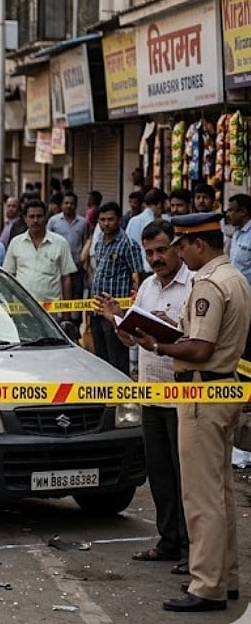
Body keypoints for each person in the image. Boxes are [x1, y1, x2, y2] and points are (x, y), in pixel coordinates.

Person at [128, 212, 251, 612]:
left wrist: (159, 345)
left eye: (181, 245)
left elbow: (199, 349)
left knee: (201, 498)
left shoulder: (209, 285)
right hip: (223, 387)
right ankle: (225, 577)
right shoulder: (234, 278)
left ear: (199, 244)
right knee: (221, 493)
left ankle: (206, 585)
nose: (178, 253)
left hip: (202, 392)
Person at [96, 220, 190, 567]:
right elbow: (132, 341)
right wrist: (117, 321)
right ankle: (168, 542)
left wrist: (174, 330)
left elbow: (196, 340)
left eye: (162, 250)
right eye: (149, 252)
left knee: (185, 480)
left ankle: (190, 549)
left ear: (177, 247)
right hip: (149, 394)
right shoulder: (148, 287)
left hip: (182, 397)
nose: (155, 258)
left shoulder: (193, 286)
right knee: (160, 476)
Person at [88, 202, 143, 374]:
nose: (106, 223)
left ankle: (120, 399)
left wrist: (129, 312)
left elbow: (137, 277)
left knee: (117, 359)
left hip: (116, 314)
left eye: (110, 219)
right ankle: (105, 399)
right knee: (100, 360)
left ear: (119, 220)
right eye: (102, 220)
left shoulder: (128, 244)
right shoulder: (99, 242)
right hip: (97, 310)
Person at [3, 199, 76, 306]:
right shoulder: (15, 243)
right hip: (22, 308)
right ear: (25, 219)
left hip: (52, 310)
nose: (35, 220)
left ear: (46, 218)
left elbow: (66, 279)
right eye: (31, 216)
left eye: (39, 216)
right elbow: (9, 276)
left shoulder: (60, 243)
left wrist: (66, 313)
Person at [48, 191, 89, 306]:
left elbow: (86, 242)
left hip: (77, 267)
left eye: (72, 203)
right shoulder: (53, 221)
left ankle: (74, 321)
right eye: (66, 203)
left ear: (76, 205)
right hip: (58, 267)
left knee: (76, 297)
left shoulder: (83, 223)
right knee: (60, 296)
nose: (69, 206)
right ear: (61, 205)